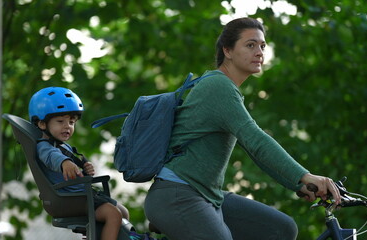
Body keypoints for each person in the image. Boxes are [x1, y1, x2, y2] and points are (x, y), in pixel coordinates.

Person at [144, 17, 341, 240]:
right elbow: (256, 140)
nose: (259, 52)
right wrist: (305, 176)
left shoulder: (228, 90)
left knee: (282, 229)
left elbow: (254, 150)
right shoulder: (218, 86)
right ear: (227, 51)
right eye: (250, 45)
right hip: (178, 194)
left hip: (208, 195)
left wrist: (297, 184)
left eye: (262, 46)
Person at [29, 87, 155, 240]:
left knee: (123, 212)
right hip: (69, 199)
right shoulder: (44, 146)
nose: (67, 126)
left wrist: (85, 168)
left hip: (82, 196)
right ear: (42, 124)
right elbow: (52, 157)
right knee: (113, 215)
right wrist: (65, 162)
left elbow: (74, 168)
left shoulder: (63, 146)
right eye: (60, 121)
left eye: (71, 122)